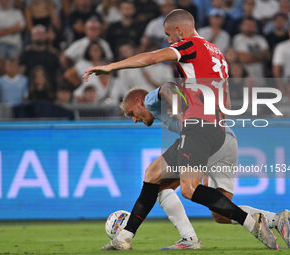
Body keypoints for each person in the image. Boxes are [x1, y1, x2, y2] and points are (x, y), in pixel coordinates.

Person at [84, 9, 278, 250]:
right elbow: (226, 102)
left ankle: (251, 223)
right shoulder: (217, 52)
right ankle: (124, 238)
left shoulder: (190, 45)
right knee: (153, 174)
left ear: (179, 30)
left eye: (168, 34)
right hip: (214, 126)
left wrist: (112, 67)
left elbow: (151, 58)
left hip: (199, 127)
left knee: (189, 189)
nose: (168, 40)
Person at [119, 86, 290, 249]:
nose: (134, 119)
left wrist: (178, 112)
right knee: (221, 214)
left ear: (139, 101)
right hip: (227, 140)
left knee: (156, 180)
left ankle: (187, 238)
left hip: (203, 138)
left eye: (131, 113)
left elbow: (168, 86)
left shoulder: (150, 100)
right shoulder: (162, 108)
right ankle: (276, 219)